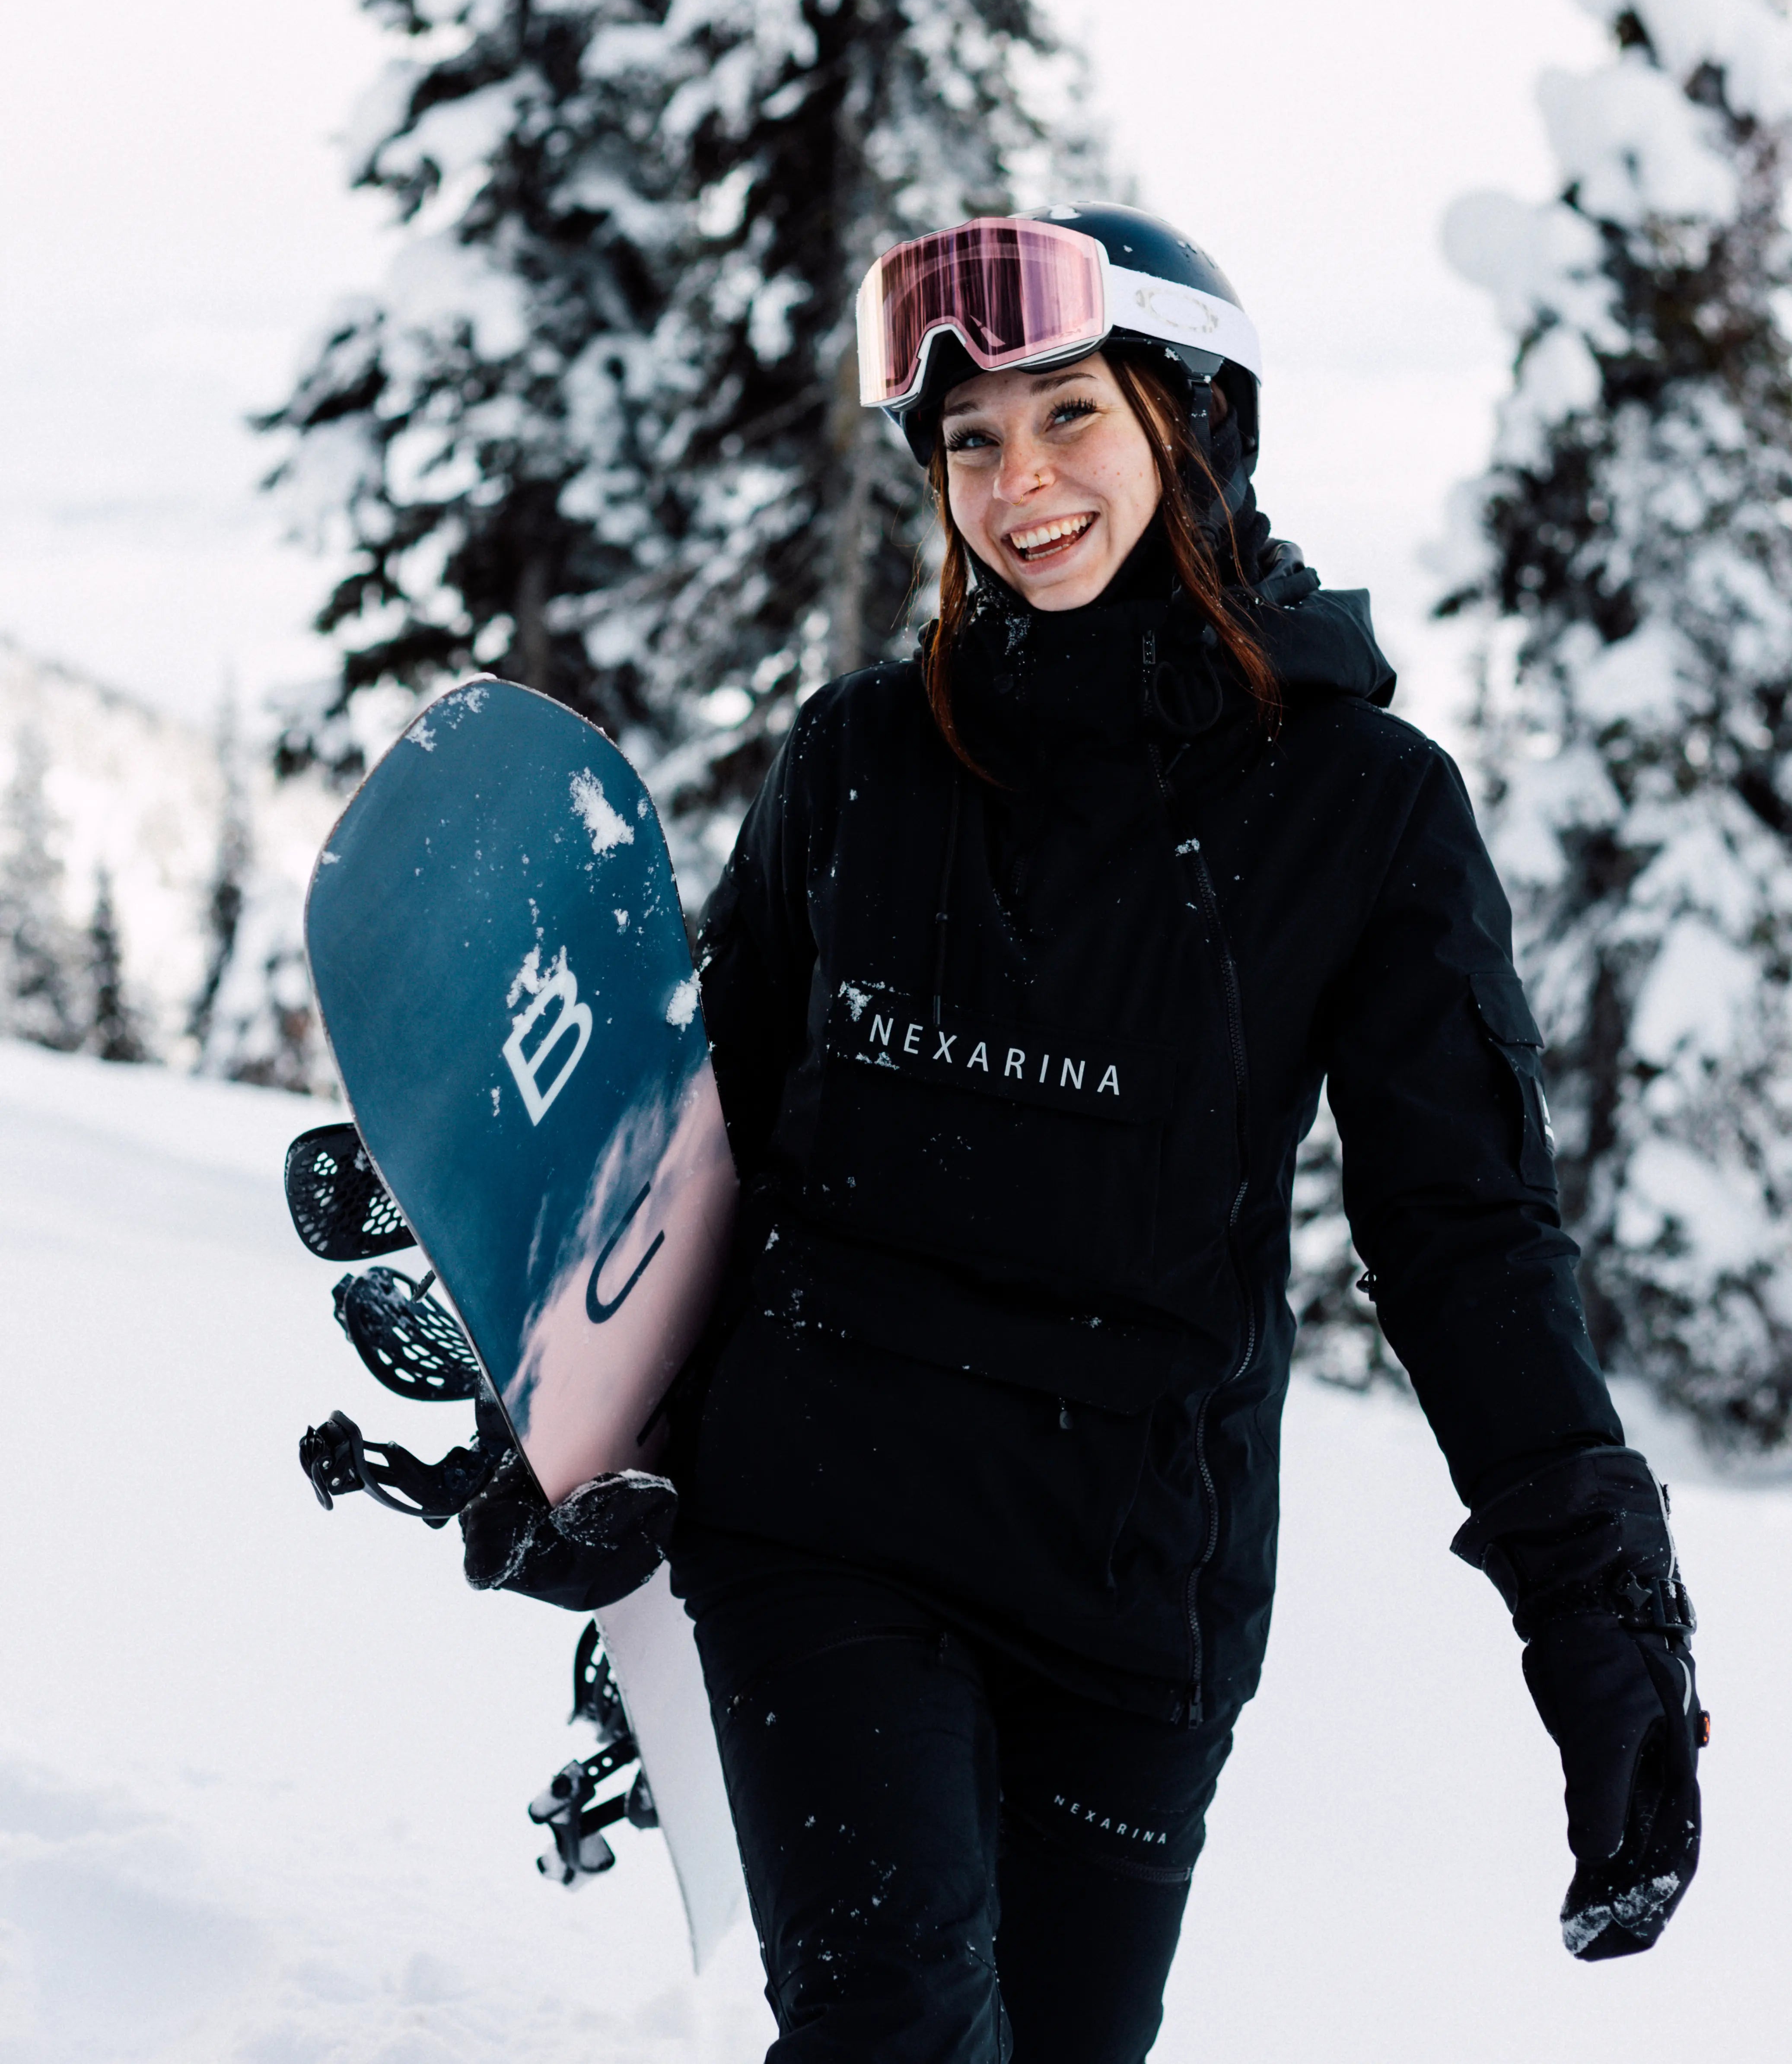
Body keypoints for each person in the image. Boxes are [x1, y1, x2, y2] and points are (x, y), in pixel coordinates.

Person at [469, 204, 1706, 2060]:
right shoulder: (860, 760)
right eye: (969, 440)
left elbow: (1463, 1234)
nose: (1015, 482)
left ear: (1191, 423)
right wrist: (563, 1425)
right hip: (826, 1515)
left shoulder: (1358, 809)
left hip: (1136, 1576)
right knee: (889, 2028)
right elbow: (703, 1143)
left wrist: (1597, 1613)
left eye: (1067, 419)